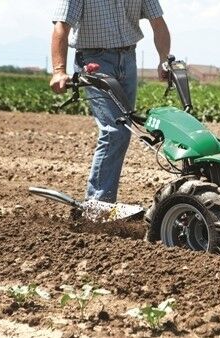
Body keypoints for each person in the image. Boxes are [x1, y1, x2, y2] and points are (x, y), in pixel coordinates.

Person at [50, 0, 170, 203]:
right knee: (115, 130)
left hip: (128, 58)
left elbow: (158, 22)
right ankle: (97, 205)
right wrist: (59, 71)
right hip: (95, 61)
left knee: (126, 127)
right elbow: (61, 26)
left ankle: (102, 201)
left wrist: (164, 59)